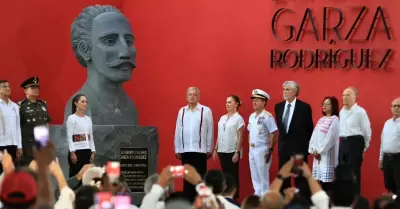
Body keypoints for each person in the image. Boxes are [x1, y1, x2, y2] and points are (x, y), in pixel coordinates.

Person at [65, 5, 138, 125]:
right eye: (110, 41)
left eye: (129, 41)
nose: (125, 52)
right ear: (85, 49)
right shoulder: (80, 107)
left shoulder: (130, 107)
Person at [274, 81, 314, 198]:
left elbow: (309, 129)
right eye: (284, 89)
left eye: (287, 89)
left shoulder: (304, 107)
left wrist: (304, 148)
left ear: (295, 91)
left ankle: (301, 203)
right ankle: (284, 203)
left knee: (300, 179)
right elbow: (281, 127)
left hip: (298, 150)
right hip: (284, 150)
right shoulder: (278, 106)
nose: (284, 92)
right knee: (284, 179)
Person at [174, 87, 213, 202]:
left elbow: (210, 131)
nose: (192, 96)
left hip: (200, 151)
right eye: (190, 94)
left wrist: (209, 148)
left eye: (194, 94)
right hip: (186, 151)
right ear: (187, 96)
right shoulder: (182, 111)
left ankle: (200, 202)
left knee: (200, 178)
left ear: (198, 97)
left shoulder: (205, 111)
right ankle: (188, 202)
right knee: (186, 178)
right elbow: (178, 130)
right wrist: (178, 148)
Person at [339, 87, 372, 194]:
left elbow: (367, 131)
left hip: (355, 142)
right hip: (343, 142)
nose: (344, 97)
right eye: (343, 95)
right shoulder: (342, 111)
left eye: (347, 95)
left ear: (355, 97)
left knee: (353, 172)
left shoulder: (360, 112)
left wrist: (364, 148)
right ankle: (344, 198)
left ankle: (355, 198)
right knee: (342, 171)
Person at [213, 95, 244, 198]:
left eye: (230, 102)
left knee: (232, 176)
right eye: (226, 102)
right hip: (222, 150)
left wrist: (237, 152)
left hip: (232, 151)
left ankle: (234, 197)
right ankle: (226, 196)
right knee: (225, 176)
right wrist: (215, 149)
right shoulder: (223, 118)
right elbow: (219, 134)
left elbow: (240, 137)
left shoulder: (239, 118)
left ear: (237, 104)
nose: (227, 104)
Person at [248, 89, 278, 196]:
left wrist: (270, 150)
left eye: (257, 100)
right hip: (252, 149)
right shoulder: (251, 116)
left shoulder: (267, 116)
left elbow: (273, 133)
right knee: (255, 177)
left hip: (262, 149)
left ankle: (265, 201)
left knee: (263, 178)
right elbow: (250, 132)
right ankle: (257, 198)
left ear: (264, 102)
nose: (254, 103)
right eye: (253, 100)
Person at [308, 96, 340, 193]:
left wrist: (320, 152)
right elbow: (314, 136)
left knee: (327, 184)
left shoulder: (335, 120)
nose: (324, 105)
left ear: (333, 106)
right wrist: (313, 150)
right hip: (317, 156)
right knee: (318, 183)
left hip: (326, 156)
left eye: (327, 104)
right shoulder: (321, 119)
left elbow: (330, 139)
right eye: (323, 104)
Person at [18, 76, 51, 166]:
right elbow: (17, 127)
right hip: (28, 147)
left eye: (37, 87)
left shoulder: (43, 104)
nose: (36, 89)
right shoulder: (21, 106)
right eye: (33, 88)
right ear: (25, 91)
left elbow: (46, 124)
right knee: (29, 174)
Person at [66, 94, 96, 177]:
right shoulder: (71, 118)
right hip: (77, 151)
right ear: (76, 103)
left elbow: (91, 136)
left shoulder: (88, 119)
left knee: (86, 176)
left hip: (87, 151)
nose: (85, 103)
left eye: (86, 101)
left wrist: (93, 151)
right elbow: (69, 136)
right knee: (76, 175)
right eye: (82, 101)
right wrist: (72, 152)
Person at [379, 97, 400, 195]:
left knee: (399, 185)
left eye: (398, 106)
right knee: (389, 185)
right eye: (394, 106)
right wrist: (381, 159)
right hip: (387, 158)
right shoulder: (387, 123)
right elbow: (383, 142)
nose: (396, 108)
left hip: (398, 158)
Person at [0, 80, 22, 173]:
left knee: (10, 172)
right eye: (4, 86)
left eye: (9, 86)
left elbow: (18, 127)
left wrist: (19, 146)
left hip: (12, 145)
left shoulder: (15, 106)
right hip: (0, 145)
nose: (8, 88)